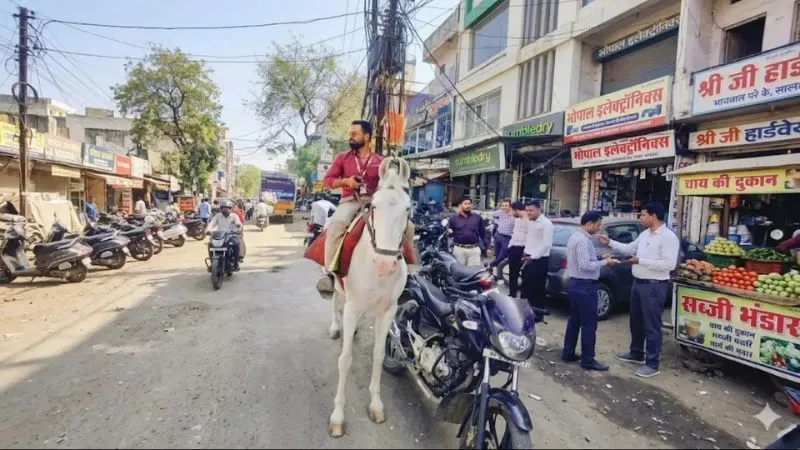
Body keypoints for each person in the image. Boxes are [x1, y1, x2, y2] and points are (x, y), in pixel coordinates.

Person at [316, 120, 415, 294]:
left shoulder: (380, 162)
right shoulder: (342, 158)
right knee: (335, 227)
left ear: (367, 137)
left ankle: (408, 272)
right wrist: (346, 181)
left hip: (374, 202)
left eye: (355, 134)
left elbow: (388, 185)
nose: (351, 137)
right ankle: (330, 276)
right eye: (350, 133)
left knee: (409, 227)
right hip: (350, 201)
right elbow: (327, 181)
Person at [598, 201, 680, 378]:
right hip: (638, 283)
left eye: (643, 214)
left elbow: (669, 265)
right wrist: (610, 242)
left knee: (651, 325)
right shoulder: (645, 234)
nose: (640, 217)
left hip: (654, 286)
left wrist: (640, 261)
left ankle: (652, 363)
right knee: (635, 321)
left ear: (653, 216)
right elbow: (629, 248)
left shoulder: (668, 237)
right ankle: (636, 353)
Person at [562, 211, 620, 372]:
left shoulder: (577, 237)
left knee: (574, 321)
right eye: (598, 225)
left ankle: (568, 353)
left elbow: (586, 261)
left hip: (577, 284)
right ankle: (588, 359)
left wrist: (601, 259)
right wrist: (605, 262)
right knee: (588, 324)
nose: (598, 228)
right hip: (584, 286)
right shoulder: (581, 240)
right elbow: (585, 265)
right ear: (589, 224)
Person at [522, 200, 554, 320]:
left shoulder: (546, 224)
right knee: (526, 288)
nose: (528, 213)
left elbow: (546, 244)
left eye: (531, 210)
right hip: (528, 257)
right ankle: (526, 313)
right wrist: (526, 253)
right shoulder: (531, 222)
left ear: (539, 210)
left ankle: (537, 315)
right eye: (527, 210)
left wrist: (533, 257)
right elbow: (530, 240)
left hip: (539, 260)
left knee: (537, 289)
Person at [448, 196, 491, 266]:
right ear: (460, 205)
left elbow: (483, 234)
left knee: (474, 272)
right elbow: (450, 235)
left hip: (474, 250)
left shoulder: (477, 217)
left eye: (469, 204)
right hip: (459, 250)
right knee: (460, 273)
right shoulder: (453, 219)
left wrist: (487, 248)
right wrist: (449, 232)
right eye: (465, 204)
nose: (468, 205)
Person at [205, 199, 243, 271]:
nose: (225, 210)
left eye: (227, 208)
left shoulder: (234, 216)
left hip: (231, 235)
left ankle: (236, 263)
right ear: (221, 208)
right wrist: (208, 230)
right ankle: (212, 263)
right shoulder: (218, 216)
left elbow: (239, 224)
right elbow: (211, 224)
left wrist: (238, 228)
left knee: (236, 243)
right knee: (210, 244)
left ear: (230, 208)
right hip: (220, 236)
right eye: (223, 208)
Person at [506, 201, 528, 298]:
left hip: (524, 250)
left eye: (511, 211)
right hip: (514, 248)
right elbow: (515, 234)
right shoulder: (517, 220)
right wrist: (510, 246)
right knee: (512, 274)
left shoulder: (529, 220)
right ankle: (512, 294)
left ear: (516, 210)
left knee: (525, 275)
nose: (510, 213)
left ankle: (523, 297)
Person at [489, 198, 514, 276]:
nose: (504, 207)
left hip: (507, 238)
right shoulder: (499, 212)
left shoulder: (514, 215)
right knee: (497, 255)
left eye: (506, 206)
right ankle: (498, 274)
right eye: (502, 205)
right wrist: (497, 222)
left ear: (510, 206)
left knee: (502, 256)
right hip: (498, 235)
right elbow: (492, 216)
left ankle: (490, 265)